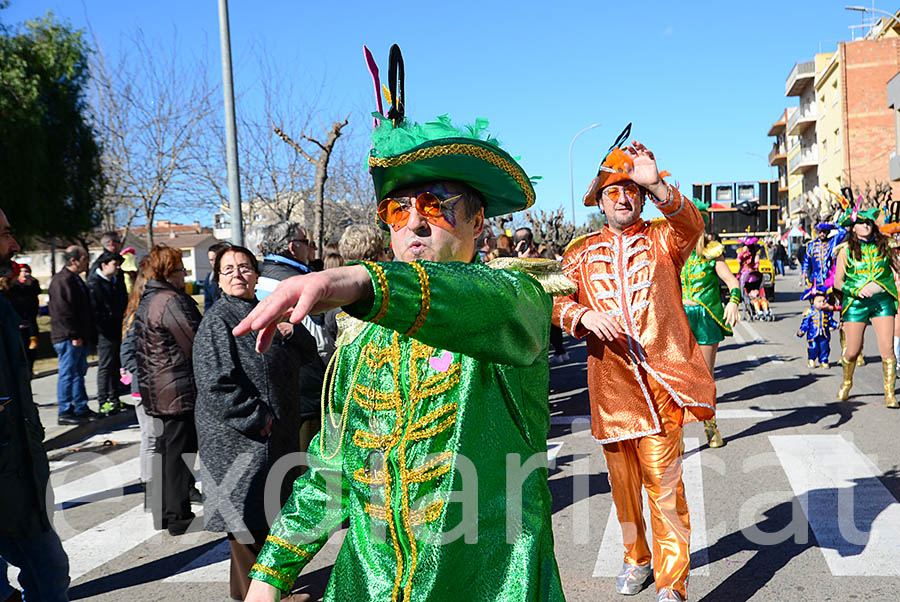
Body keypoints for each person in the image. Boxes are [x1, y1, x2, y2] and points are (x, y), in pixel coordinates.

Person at [240, 46, 567, 601]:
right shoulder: (363, 343)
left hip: (488, 585)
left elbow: (488, 303)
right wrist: (269, 576)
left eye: (436, 205)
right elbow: (331, 472)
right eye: (397, 209)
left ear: (478, 220)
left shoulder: (515, 303)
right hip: (371, 586)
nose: (414, 221)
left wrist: (360, 282)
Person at [552, 125, 714, 602]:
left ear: (641, 200)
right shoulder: (578, 254)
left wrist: (657, 183)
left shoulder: (666, 240)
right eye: (614, 191)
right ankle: (636, 557)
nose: (624, 198)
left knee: (664, 489)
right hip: (610, 389)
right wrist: (580, 314)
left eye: (632, 192)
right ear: (600, 201)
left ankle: (673, 582)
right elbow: (553, 304)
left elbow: (692, 225)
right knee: (623, 489)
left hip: (662, 385)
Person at [194, 245, 321, 601]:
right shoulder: (218, 321)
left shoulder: (265, 311)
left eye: (245, 268)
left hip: (273, 437)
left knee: (269, 518)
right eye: (228, 269)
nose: (237, 274)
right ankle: (261, 595)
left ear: (256, 275)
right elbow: (214, 382)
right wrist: (257, 418)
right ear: (218, 280)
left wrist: (290, 328)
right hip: (241, 439)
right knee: (248, 522)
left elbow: (309, 354)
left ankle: (260, 593)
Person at [0, 208, 71, 601]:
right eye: (6, 234)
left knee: (50, 573)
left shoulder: (3, 307)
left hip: (20, 479)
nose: (14, 245)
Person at [132, 245, 202, 534]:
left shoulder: (149, 298)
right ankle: (176, 515)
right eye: (181, 269)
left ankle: (164, 513)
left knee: (165, 453)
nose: (184, 274)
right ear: (168, 272)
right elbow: (194, 340)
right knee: (177, 454)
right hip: (175, 389)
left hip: (157, 388)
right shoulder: (170, 300)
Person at [681, 213, 740, 448]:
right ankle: (678, 432)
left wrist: (734, 301)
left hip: (705, 318)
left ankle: (710, 424)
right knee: (680, 379)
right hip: (680, 319)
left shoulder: (712, 253)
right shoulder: (672, 252)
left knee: (705, 377)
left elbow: (732, 282)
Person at [834, 207, 900, 408]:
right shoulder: (845, 251)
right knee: (853, 351)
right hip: (856, 303)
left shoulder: (885, 246)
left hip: (882, 301)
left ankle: (889, 394)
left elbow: (897, 269)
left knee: (888, 348)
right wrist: (855, 290)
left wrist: (887, 285)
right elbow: (838, 282)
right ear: (853, 228)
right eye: (861, 223)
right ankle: (847, 381)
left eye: (869, 222)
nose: (865, 225)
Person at [49, 245, 100, 424]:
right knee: (68, 373)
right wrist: (73, 335)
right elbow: (62, 311)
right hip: (68, 337)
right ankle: (65, 410)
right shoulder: (62, 281)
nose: (88, 262)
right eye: (85, 258)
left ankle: (80, 406)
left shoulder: (75, 279)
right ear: (73, 260)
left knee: (79, 372)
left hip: (79, 336)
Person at [87, 249, 127, 416]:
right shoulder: (94, 283)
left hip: (118, 328)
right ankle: (103, 401)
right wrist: (105, 324)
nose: (117, 267)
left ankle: (115, 398)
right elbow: (94, 310)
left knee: (116, 365)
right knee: (105, 366)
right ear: (104, 265)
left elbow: (123, 300)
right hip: (104, 331)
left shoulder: (117, 280)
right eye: (114, 264)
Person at [6, 263, 41, 371]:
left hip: (30, 323)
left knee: (32, 349)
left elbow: (34, 304)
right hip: (18, 324)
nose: (25, 274)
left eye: (27, 272)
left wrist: (31, 286)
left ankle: (30, 368)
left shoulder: (33, 285)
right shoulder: (13, 288)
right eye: (22, 271)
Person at [798, 287, 838, 368]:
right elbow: (805, 323)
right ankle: (811, 359)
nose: (822, 303)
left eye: (824, 301)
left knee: (825, 348)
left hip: (824, 334)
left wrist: (838, 325)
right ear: (812, 302)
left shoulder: (826, 312)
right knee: (813, 347)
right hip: (813, 335)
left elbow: (830, 321)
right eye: (819, 301)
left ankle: (823, 360)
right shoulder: (810, 312)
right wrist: (802, 330)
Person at [803, 223, 836, 288]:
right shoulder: (812, 245)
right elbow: (806, 260)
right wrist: (805, 271)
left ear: (827, 233)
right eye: (820, 232)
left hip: (829, 278)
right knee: (816, 297)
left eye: (824, 232)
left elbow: (842, 233)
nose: (822, 234)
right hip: (815, 278)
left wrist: (834, 226)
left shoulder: (831, 243)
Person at [204, 241, 232, 311]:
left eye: (216, 259)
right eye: (211, 260)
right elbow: (208, 303)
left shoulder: (233, 275)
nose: (214, 263)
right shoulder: (209, 279)